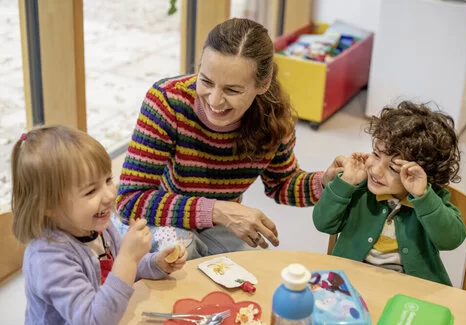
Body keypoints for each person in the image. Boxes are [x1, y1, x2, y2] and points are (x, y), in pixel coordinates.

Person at [114, 17, 344, 259]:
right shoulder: (167, 101)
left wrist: (325, 182)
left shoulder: (275, 119)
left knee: (250, 268)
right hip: (164, 217)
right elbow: (130, 200)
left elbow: (282, 184)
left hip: (217, 225)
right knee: (182, 252)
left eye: (232, 90)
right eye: (205, 81)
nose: (214, 101)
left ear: (263, 84)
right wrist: (218, 211)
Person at [11, 125, 187, 325]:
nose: (111, 194)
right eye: (90, 191)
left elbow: (122, 270)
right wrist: (128, 258)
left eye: (108, 180)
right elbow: (92, 320)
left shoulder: (97, 225)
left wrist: (155, 263)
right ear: (48, 206)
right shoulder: (48, 259)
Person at [313, 101, 466, 286]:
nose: (376, 171)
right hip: (351, 283)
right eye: (376, 154)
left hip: (413, 292)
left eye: (393, 168)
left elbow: (450, 240)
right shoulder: (359, 189)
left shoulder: (431, 198)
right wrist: (345, 183)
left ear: (422, 175)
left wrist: (423, 197)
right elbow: (322, 223)